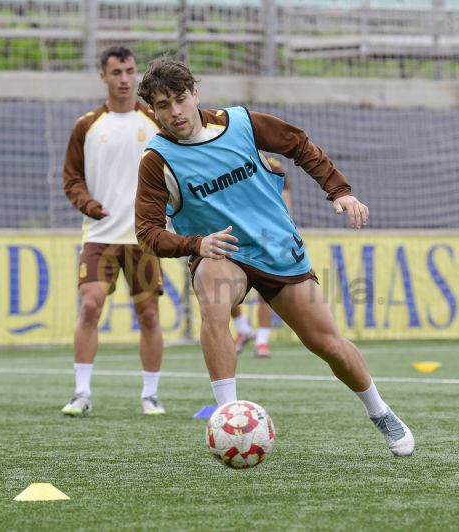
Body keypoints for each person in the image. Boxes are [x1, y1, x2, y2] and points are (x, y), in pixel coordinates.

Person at [135, 58, 414, 456]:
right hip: (223, 253)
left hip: (278, 248)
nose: (175, 112)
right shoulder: (157, 160)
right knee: (213, 299)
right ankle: (229, 415)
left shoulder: (243, 124)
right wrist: (195, 245)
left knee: (328, 345)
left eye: (180, 99)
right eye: (163, 105)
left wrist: (340, 191)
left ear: (195, 94)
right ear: (153, 110)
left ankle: (380, 410)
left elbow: (298, 144)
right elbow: (147, 232)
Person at [61, 45, 166, 417]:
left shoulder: (157, 121)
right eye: (117, 72)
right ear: (103, 76)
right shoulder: (87, 125)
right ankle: (82, 393)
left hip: (144, 238)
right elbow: (72, 178)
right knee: (90, 306)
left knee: (149, 315)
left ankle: (150, 395)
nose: (125, 79)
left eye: (130, 72)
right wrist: (89, 205)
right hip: (100, 236)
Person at [232, 156, 292, 358]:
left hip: (268, 235)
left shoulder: (273, 165)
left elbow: (285, 202)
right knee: (221, 287)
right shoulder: (230, 159)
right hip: (238, 233)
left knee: (267, 289)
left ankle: (262, 341)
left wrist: (286, 233)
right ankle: (242, 328)